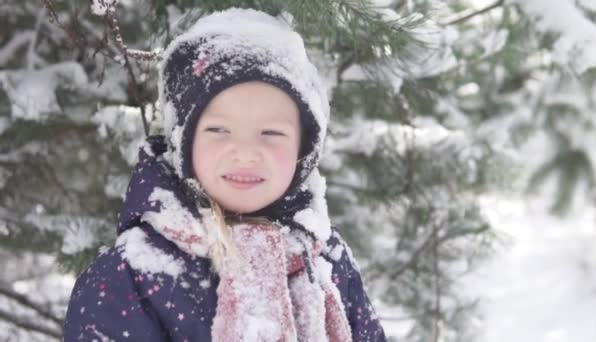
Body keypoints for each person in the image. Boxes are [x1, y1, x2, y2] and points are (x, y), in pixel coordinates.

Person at [63, 8, 386, 341]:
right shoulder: (132, 276)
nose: (245, 152)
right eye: (219, 129)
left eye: (271, 133)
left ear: (303, 149)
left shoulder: (325, 258)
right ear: (183, 143)